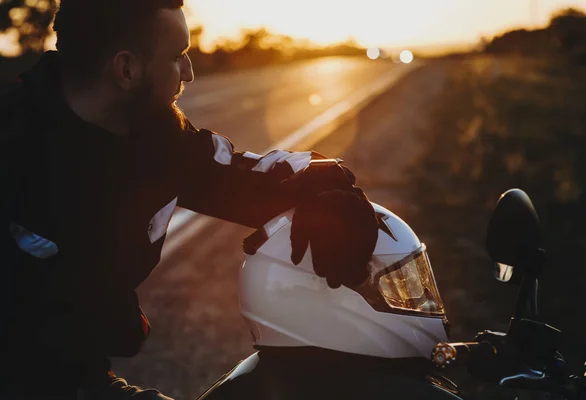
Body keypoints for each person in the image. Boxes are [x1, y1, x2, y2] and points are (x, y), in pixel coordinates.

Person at [0, 0, 379, 399]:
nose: (190, 72)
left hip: (78, 378)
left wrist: (332, 193)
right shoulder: (14, 145)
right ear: (126, 69)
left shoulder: (158, 139)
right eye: (179, 55)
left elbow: (253, 177)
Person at [198, 200, 454, 400]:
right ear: (327, 293)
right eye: (394, 283)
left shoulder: (247, 384)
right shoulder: (391, 392)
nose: (418, 299)